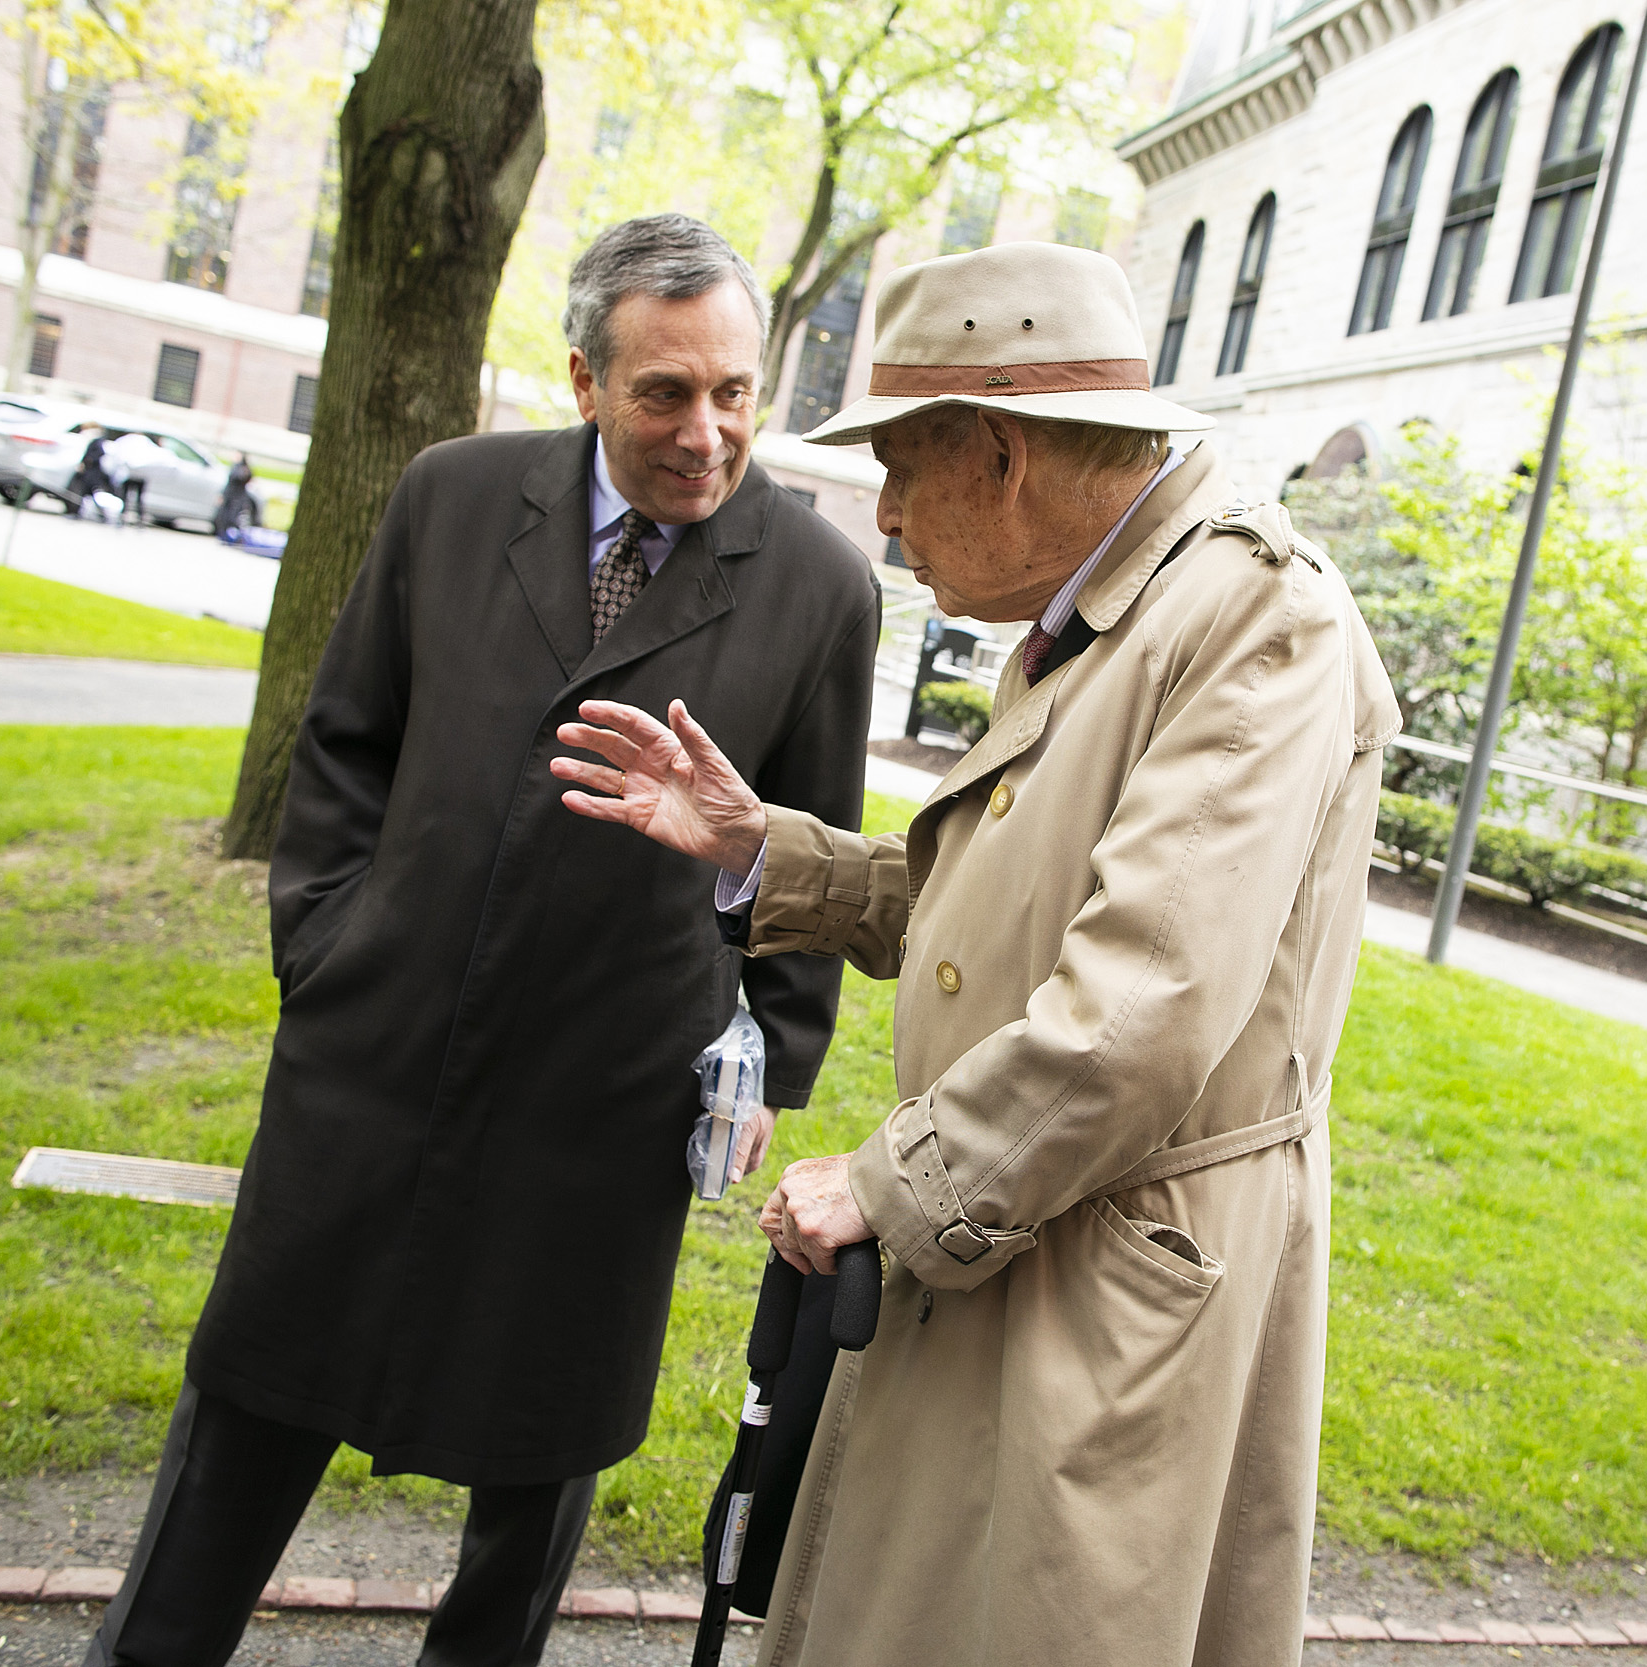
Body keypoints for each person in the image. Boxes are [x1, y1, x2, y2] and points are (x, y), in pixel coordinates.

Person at [553, 241, 1400, 1667]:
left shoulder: (1255, 615)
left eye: (900, 468)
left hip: (1110, 1278)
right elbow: (1005, 924)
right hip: (1035, 1228)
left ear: (999, 454)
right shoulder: (1111, 609)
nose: (885, 517)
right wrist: (765, 846)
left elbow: (1142, 1008)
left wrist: (888, 1184)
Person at [86, 214, 881, 1667]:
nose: (707, 434)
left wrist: (763, 1056)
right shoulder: (449, 498)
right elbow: (344, 745)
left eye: (736, 393)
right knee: (249, 1412)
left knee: (534, 1471)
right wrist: (327, 950)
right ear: (583, 376)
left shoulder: (821, 587)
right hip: (370, 1061)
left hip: (609, 1104)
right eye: (664, 394)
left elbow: (809, 851)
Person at [212, 452, 255, 540]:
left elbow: (243, 478)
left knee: (232, 517)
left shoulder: (243, 469)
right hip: (230, 495)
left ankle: (231, 536)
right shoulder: (235, 467)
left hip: (237, 497)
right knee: (223, 516)